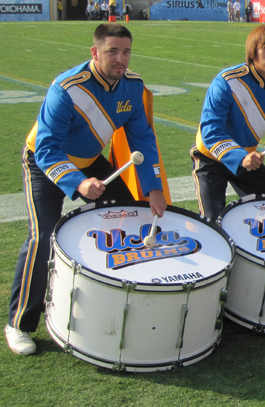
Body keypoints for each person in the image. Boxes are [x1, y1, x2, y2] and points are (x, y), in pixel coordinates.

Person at [5, 23, 167, 355]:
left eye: (126, 52)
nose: (120, 59)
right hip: (46, 161)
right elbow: (47, 149)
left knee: (129, 213)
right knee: (43, 236)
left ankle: (113, 295)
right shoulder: (66, 88)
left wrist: (153, 187)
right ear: (95, 52)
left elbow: (143, 140)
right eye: (112, 52)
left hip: (92, 160)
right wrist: (77, 182)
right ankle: (19, 323)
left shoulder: (133, 87)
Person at [191, 24, 265, 221]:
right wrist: (239, 157)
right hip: (211, 158)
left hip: (249, 160)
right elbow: (210, 130)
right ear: (253, 52)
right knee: (212, 220)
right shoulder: (227, 82)